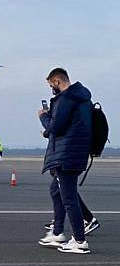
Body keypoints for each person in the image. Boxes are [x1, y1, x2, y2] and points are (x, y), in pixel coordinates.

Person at [37, 68, 93, 254]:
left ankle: (79, 240)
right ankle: (58, 232)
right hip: (76, 152)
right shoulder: (82, 99)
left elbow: (56, 126)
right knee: (56, 191)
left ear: (57, 82)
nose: (51, 89)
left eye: (51, 85)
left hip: (66, 154)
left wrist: (43, 117)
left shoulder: (65, 99)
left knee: (68, 198)